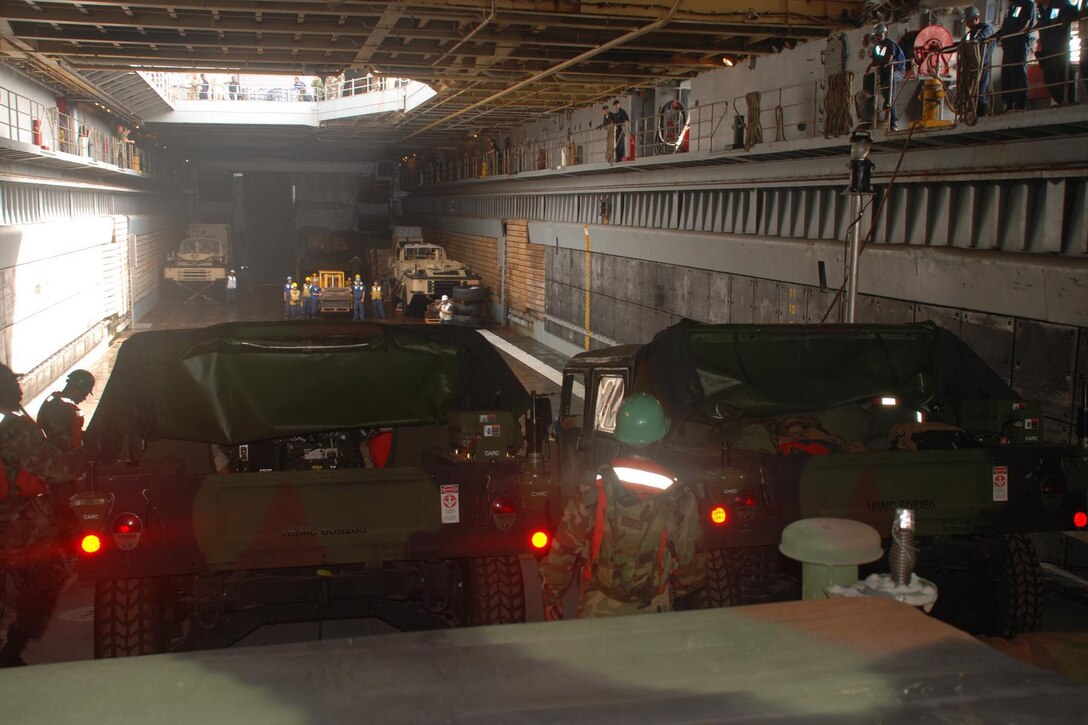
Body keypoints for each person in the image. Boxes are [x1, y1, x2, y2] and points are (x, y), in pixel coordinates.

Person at [540, 393, 705, 620]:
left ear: (619, 437)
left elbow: (566, 546)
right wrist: (679, 587)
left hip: (596, 609)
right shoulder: (680, 495)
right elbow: (690, 569)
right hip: (653, 614)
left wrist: (552, 595)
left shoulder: (594, 485)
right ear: (660, 440)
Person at [0, 364, 89, 667]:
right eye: (15, 382)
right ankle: (12, 648)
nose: (21, 388)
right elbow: (55, 468)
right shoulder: (13, 425)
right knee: (50, 576)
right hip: (17, 522)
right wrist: (81, 460)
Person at [996, 0, 1036, 111]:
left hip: (1018, 45)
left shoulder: (1028, 4)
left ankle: (1020, 104)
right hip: (1008, 46)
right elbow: (1005, 26)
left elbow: (1024, 24)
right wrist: (997, 35)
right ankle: (1009, 104)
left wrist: (1007, 34)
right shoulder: (1011, 8)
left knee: (1017, 74)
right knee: (1007, 76)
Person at [865, 23, 906, 129]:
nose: (878, 37)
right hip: (885, 72)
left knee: (890, 91)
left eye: (880, 35)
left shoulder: (890, 44)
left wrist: (873, 65)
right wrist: (871, 65)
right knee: (885, 91)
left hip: (897, 70)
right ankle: (887, 104)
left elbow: (887, 60)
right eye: (876, 35)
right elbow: (874, 60)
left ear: (885, 33)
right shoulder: (876, 47)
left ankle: (893, 121)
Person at [1036, 0, 1077, 105]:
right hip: (1046, 50)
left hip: (1059, 48)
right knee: (1049, 79)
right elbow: (1042, 23)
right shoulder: (1040, 9)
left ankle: (1069, 100)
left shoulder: (1060, 3)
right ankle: (1060, 101)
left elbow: (1073, 11)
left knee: (1062, 74)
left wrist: (1064, 18)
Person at [960, 6, 997, 117]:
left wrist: (972, 41)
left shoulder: (986, 28)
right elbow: (965, 42)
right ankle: (971, 112)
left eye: (969, 21)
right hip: (972, 66)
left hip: (982, 65)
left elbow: (980, 39)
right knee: (970, 90)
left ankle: (981, 114)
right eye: (966, 22)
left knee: (980, 90)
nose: (968, 24)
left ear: (976, 18)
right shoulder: (971, 33)